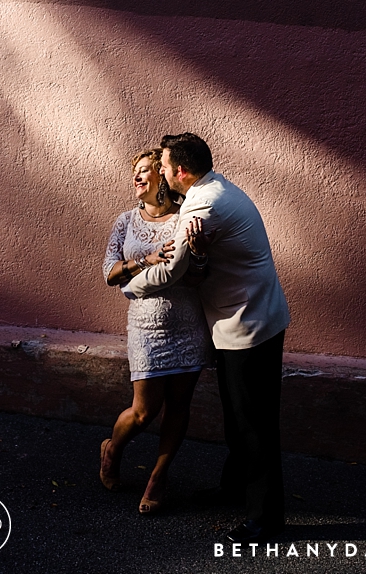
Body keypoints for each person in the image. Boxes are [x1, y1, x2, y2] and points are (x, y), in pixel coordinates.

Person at [125, 133, 291, 544]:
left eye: (163, 166)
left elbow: (172, 271)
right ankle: (234, 489)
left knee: (254, 426)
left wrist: (128, 285)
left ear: (181, 172)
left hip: (248, 326)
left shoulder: (205, 203)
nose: (161, 172)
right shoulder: (212, 188)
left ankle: (264, 521)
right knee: (239, 419)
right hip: (246, 320)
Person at [101, 148, 210, 515]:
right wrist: (143, 260)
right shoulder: (125, 222)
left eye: (146, 170)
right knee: (144, 412)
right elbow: (109, 274)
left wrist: (199, 255)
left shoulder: (184, 219)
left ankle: (158, 476)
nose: (137, 177)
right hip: (146, 328)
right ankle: (112, 448)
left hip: (186, 326)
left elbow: (197, 278)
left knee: (179, 407)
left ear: (163, 178)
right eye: (135, 172)